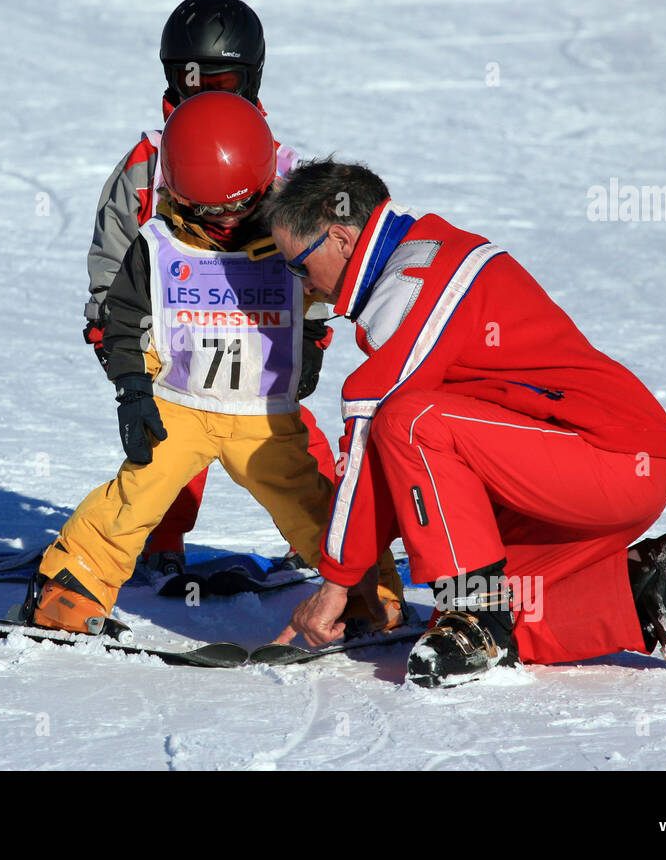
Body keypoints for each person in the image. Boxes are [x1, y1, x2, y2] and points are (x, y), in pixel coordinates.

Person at [265, 158, 666, 686]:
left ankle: (477, 620)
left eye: (297, 264)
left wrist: (338, 583)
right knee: (476, 622)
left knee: (411, 421)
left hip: (610, 460)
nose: (298, 283)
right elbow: (399, 468)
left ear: (342, 239)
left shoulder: (413, 284)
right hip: (586, 467)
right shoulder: (422, 255)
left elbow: (376, 431)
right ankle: (651, 593)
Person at [24, 95, 404, 633]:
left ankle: (370, 592)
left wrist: (309, 348)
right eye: (208, 210)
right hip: (179, 408)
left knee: (310, 505)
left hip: (263, 415)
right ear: (176, 193)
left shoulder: (286, 239)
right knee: (136, 497)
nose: (226, 220)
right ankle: (68, 590)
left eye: (240, 205)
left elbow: (317, 298)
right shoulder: (156, 246)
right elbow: (125, 316)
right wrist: (132, 390)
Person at [83, 0, 335, 582]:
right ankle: (161, 538)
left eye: (224, 82)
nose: (209, 97)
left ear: (252, 81)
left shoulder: (279, 165)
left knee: (287, 436)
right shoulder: (148, 165)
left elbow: (311, 266)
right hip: (169, 329)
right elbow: (114, 250)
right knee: (167, 435)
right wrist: (109, 331)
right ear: (173, 79)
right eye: (195, 82)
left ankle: (327, 536)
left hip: (256, 325)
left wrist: (313, 335)